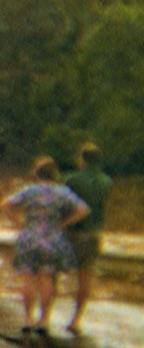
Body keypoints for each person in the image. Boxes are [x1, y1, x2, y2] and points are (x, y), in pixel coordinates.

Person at [0, 156, 90, 338]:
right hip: (52, 237)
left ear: (36, 173)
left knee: (28, 280)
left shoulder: (30, 191)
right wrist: (64, 223)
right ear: (54, 174)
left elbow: (5, 205)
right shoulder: (62, 192)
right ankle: (45, 320)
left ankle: (27, 319)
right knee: (46, 279)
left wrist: (18, 222)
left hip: (30, 236)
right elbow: (83, 209)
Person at [64, 143, 113, 336]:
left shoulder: (71, 180)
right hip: (94, 233)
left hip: (72, 233)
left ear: (82, 159)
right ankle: (76, 320)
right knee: (86, 278)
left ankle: (45, 316)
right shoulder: (107, 181)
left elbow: (66, 205)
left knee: (53, 272)